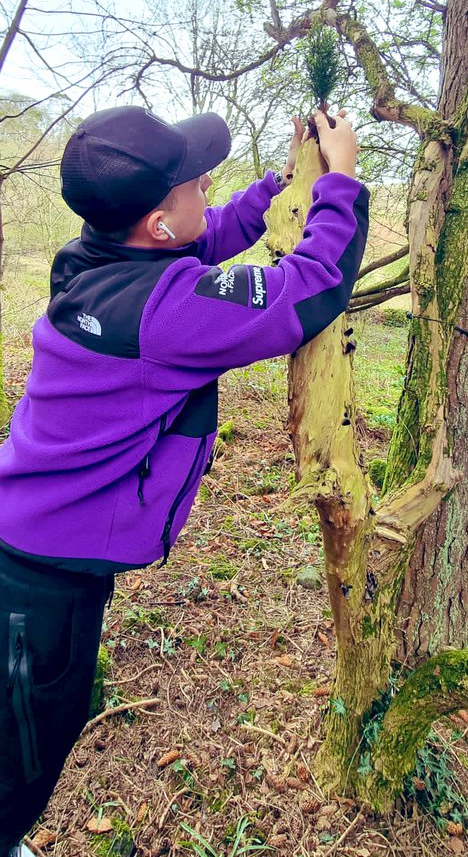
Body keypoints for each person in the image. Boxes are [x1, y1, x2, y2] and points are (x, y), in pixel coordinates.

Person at [0, 103, 369, 856]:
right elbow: (311, 284)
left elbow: (205, 242)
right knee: (22, 755)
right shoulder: (167, 314)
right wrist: (343, 182)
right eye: (194, 181)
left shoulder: (92, 261)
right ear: (157, 225)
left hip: (27, 550)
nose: (209, 183)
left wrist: (283, 182)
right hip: (38, 594)